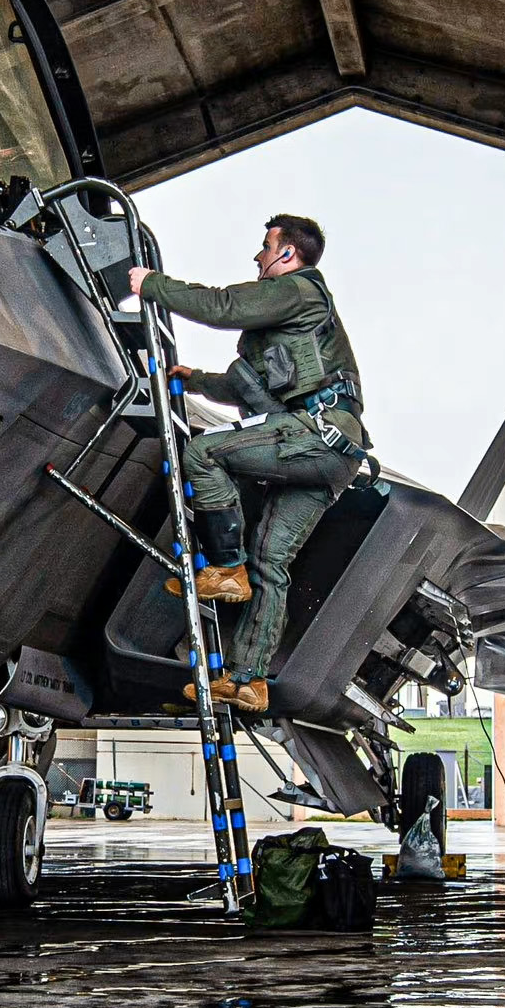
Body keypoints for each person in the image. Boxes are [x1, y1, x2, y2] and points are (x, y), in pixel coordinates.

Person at [128, 214, 367, 714]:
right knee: (272, 562)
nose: (257, 256)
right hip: (332, 452)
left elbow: (222, 305)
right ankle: (247, 680)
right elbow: (249, 389)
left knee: (202, 452)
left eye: (265, 247)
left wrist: (152, 285)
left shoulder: (298, 289)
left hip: (315, 436)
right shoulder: (292, 321)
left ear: (286, 254)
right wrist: (194, 380)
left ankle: (227, 569)